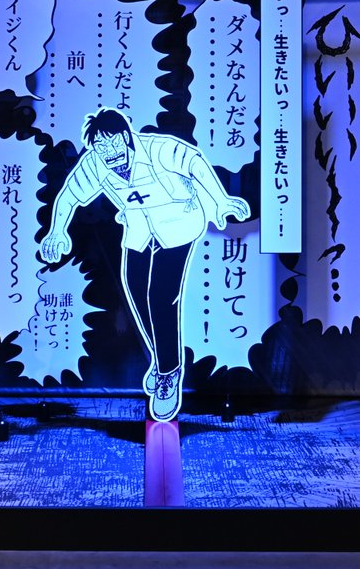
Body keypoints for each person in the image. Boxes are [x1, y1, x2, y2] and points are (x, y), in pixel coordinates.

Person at [39, 108, 249, 421]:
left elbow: (195, 162)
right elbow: (69, 195)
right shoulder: (96, 163)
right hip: (138, 227)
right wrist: (57, 231)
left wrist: (221, 201)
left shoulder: (158, 148)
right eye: (100, 147)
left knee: (161, 298)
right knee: (136, 291)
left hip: (179, 222)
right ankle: (162, 358)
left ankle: (168, 373)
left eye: (113, 143)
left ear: (126, 136)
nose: (109, 153)